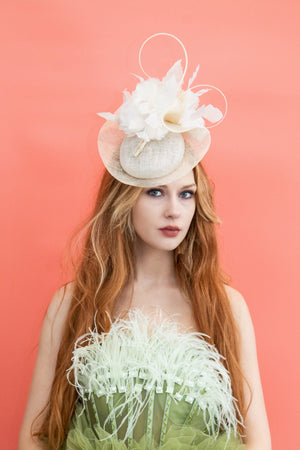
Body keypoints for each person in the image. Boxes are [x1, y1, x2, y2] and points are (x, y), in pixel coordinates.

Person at [19, 34, 271, 449]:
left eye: (186, 193)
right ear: (124, 201)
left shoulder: (225, 306)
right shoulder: (72, 303)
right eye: (155, 192)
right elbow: (35, 437)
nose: (174, 210)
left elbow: (257, 442)